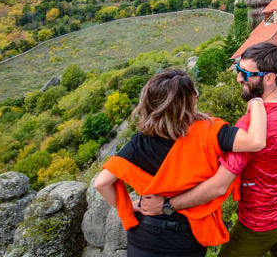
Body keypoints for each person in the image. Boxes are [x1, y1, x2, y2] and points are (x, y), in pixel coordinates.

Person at [140, 42, 277, 257]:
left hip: (257, 226)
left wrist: (167, 205)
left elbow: (219, 187)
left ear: (270, 78)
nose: (238, 78)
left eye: (245, 73)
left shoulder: (248, 128)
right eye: (238, 70)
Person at [93, 68, 267, 257]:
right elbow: (256, 142)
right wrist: (257, 102)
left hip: (143, 236)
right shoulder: (211, 132)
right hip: (184, 236)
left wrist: (127, 205)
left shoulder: (139, 141)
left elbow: (101, 183)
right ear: (190, 101)